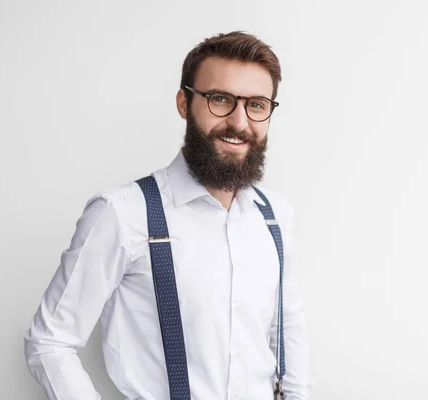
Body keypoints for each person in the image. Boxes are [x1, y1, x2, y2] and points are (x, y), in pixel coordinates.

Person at [24, 31, 311, 400]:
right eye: (220, 99)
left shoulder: (274, 216)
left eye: (256, 104)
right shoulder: (123, 213)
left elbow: (288, 329)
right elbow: (49, 341)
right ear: (184, 103)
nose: (239, 122)